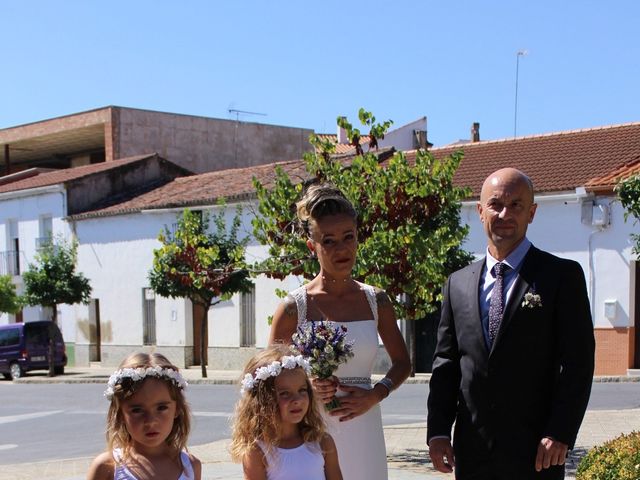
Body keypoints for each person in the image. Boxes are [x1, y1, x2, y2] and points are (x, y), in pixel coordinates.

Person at [426, 168, 595, 479]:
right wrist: (437, 431)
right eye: (495, 205)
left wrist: (560, 431)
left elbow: (577, 364)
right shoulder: (457, 284)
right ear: (480, 211)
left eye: (516, 205)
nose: (505, 214)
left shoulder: (561, 277)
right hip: (472, 451)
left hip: (537, 452)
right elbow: (447, 363)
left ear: (531, 213)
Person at [269, 183, 411, 480]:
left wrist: (376, 394)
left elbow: (403, 364)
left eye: (349, 237)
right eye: (329, 241)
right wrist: (307, 382)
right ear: (312, 246)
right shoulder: (294, 308)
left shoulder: (378, 301)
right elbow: (269, 375)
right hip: (311, 428)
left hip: (365, 428)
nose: (342, 248)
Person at [230, 345, 342, 480]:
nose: (297, 400)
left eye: (302, 390)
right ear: (263, 400)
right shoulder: (257, 451)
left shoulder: (322, 442)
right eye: (285, 394)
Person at [86, 352, 201, 480]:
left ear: (177, 409)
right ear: (120, 414)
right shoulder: (106, 467)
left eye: (161, 408)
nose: (150, 422)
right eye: (137, 410)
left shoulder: (190, 467)